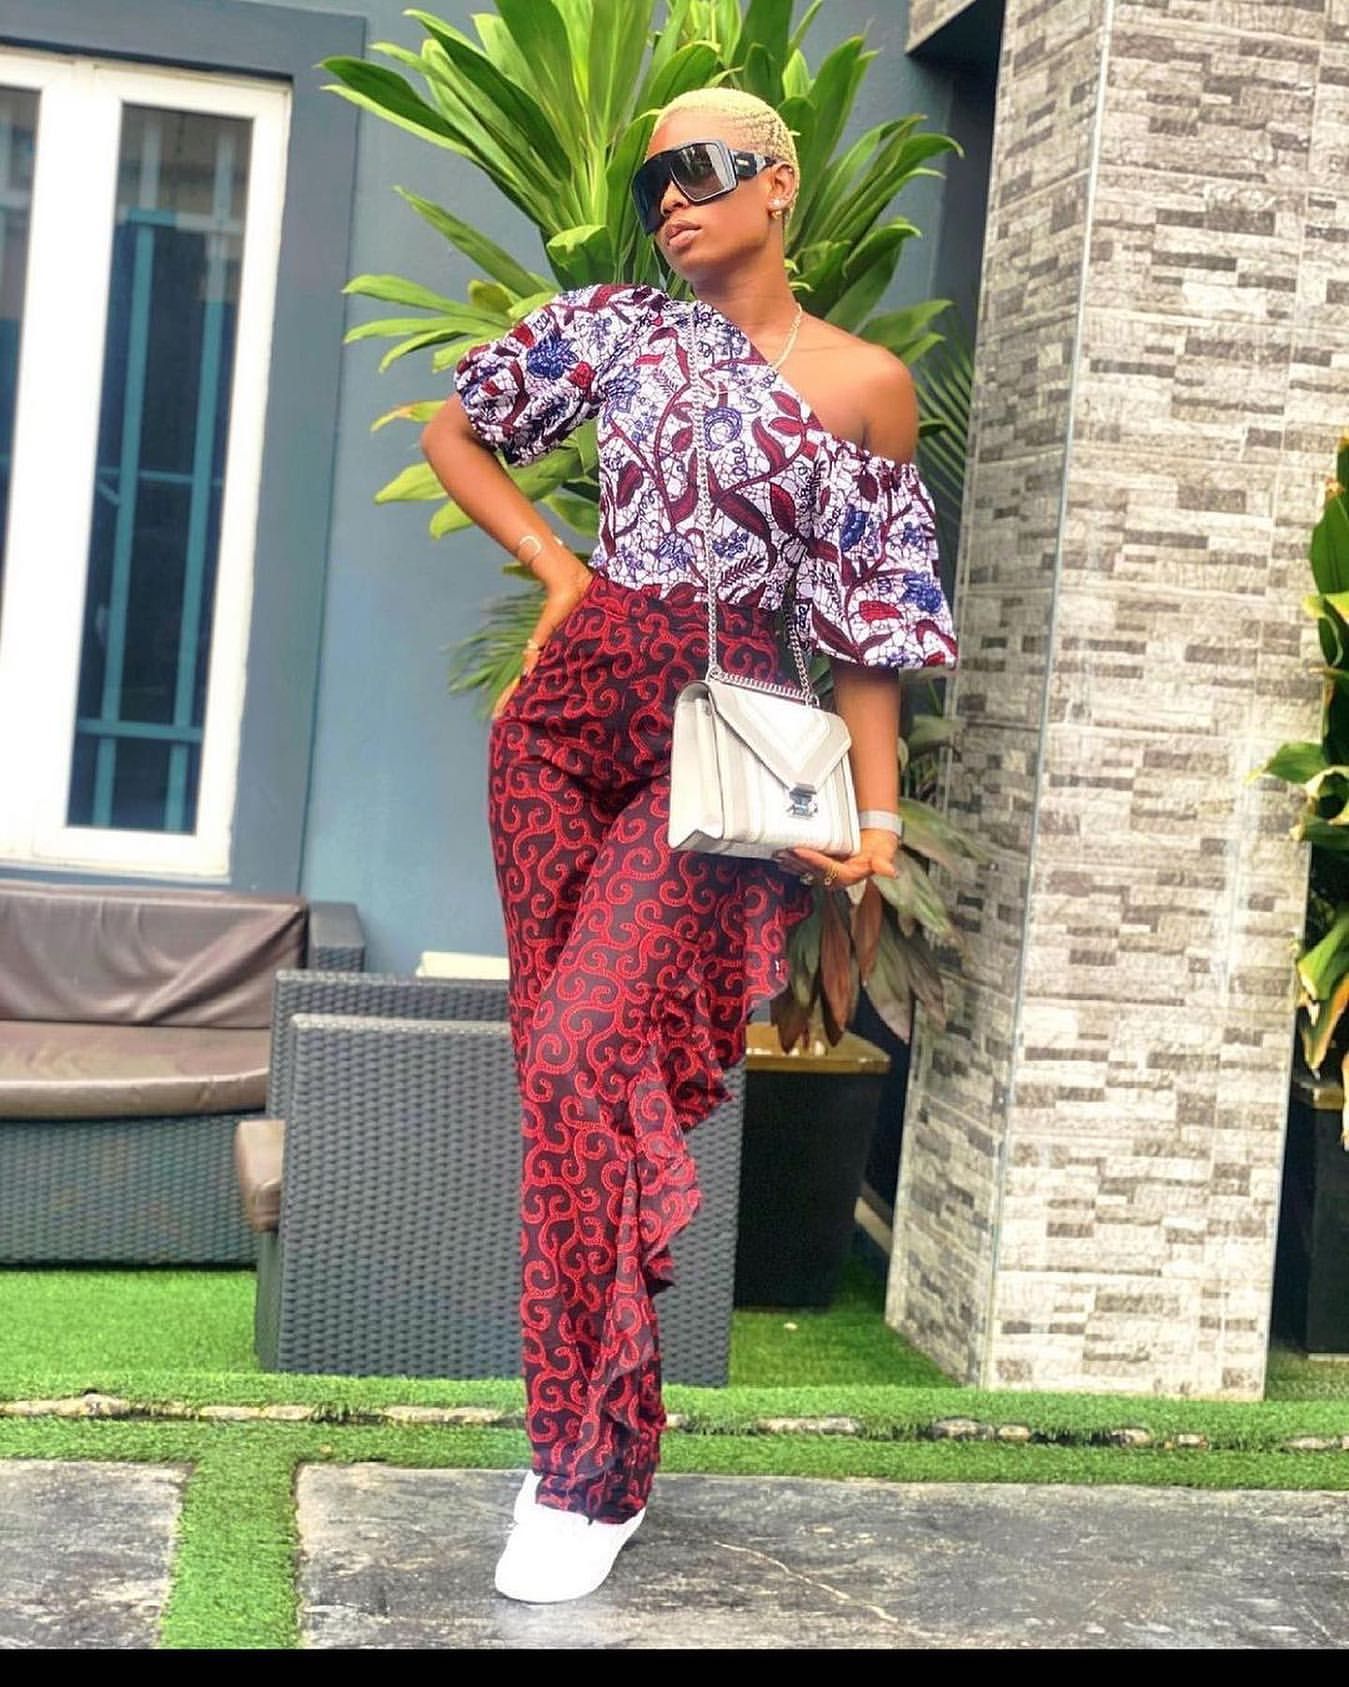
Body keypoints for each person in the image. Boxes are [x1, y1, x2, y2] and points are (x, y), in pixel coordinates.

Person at [418, 85, 958, 1605]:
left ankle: (587, 1471)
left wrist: (874, 817)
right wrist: (556, 571)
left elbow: (869, 633)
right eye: (653, 177)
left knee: (586, 1051)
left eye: (703, 169)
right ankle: (590, 1437)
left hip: (718, 749)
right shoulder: (612, 329)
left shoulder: (865, 387)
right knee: (557, 1085)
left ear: (777, 184)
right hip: (562, 728)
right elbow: (457, 433)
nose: (670, 197)